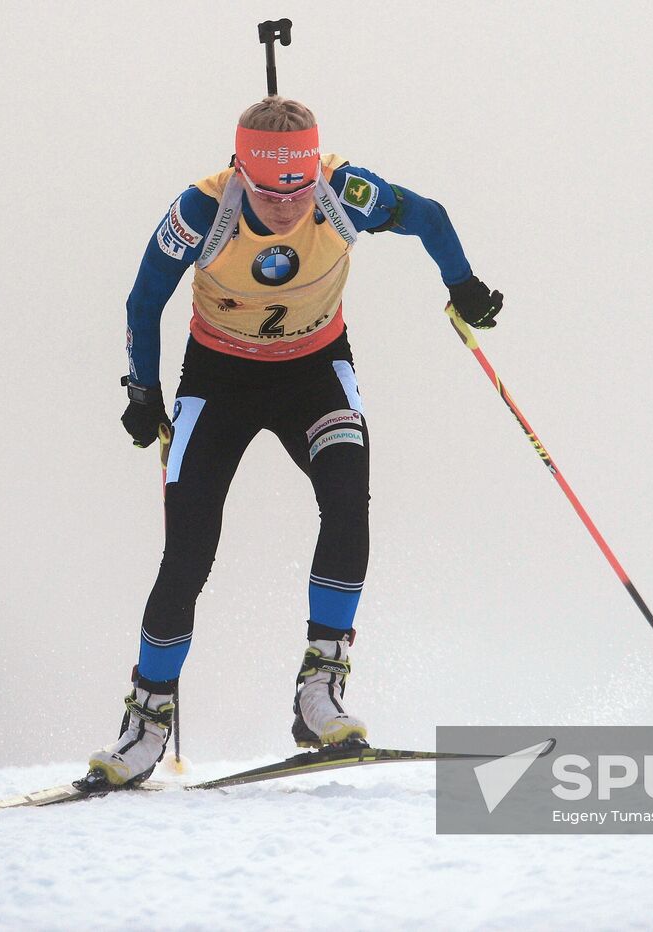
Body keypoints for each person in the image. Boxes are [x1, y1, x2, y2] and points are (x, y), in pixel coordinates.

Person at [88, 96, 503, 787]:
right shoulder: (201, 211)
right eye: (268, 192)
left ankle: (320, 691)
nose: (286, 207)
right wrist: (142, 390)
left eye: (298, 189)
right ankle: (145, 723)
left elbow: (428, 216)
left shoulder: (345, 190)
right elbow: (144, 299)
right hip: (219, 380)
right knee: (189, 548)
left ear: (314, 171)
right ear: (239, 173)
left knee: (348, 500)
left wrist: (464, 285)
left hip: (315, 372)